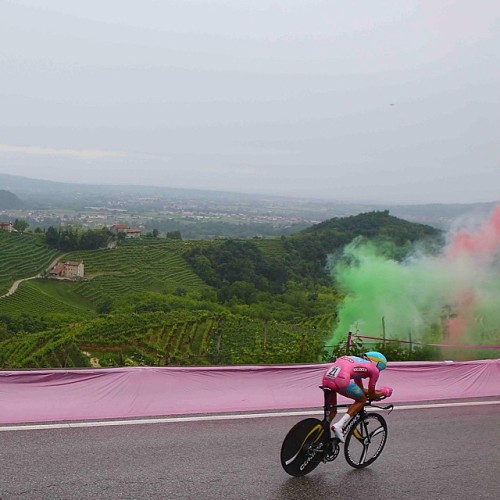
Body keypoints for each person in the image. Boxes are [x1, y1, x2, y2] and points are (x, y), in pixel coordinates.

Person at [322, 351, 393, 443]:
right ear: (378, 364)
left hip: (326, 379)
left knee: (332, 412)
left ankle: (320, 437)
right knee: (362, 400)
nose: (379, 371)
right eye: (381, 369)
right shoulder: (374, 370)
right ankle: (339, 425)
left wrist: (377, 392)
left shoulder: (358, 362)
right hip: (341, 380)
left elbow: (360, 390)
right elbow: (371, 395)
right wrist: (384, 392)